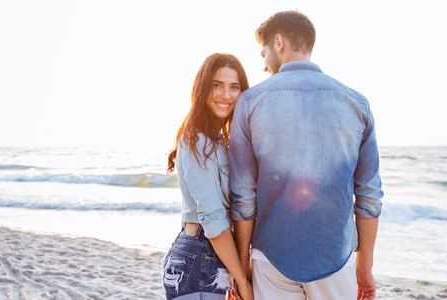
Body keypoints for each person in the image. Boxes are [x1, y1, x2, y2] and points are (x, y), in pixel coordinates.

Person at [229, 10, 383, 300]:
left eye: (263, 54)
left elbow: (243, 196)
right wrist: (364, 265)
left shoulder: (250, 103)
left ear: (278, 42)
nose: (263, 64)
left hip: (270, 259)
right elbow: (369, 195)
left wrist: (243, 261)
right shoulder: (357, 103)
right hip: (337, 258)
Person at [163, 53, 254, 300]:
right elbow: (213, 221)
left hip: (210, 260)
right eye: (217, 85)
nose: (226, 95)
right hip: (201, 259)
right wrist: (243, 283)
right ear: (203, 88)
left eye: (234, 87)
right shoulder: (196, 141)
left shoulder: (219, 141)